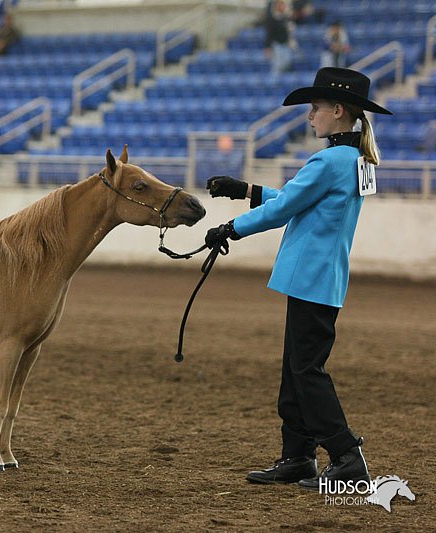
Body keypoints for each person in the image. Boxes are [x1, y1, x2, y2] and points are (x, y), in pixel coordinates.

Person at [203, 68, 392, 489]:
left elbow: (285, 208)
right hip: (322, 279)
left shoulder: (328, 161)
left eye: (316, 108)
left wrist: (231, 227)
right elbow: (296, 199)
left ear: (337, 111)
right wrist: (247, 190)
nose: (310, 116)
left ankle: (345, 455)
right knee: (297, 370)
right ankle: (297, 456)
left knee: (306, 371)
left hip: (312, 278)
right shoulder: (353, 160)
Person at [264, 0, 296, 76]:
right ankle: (275, 83)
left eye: (283, 5)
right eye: (280, 5)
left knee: (286, 64)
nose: (282, 7)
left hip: (286, 44)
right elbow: (269, 33)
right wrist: (267, 47)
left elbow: (289, 32)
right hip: (277, 44)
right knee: (277, 66)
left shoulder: (286, 18)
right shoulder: (272, 18)